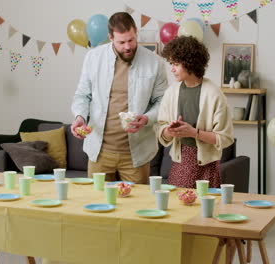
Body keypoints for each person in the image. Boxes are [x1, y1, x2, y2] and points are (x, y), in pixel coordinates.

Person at [70, 12, 168, 184]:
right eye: (121, 42)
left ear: (136, 32)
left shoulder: (155, 63)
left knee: (136, 208)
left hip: (136, 154)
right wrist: (79, 117)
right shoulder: (93, 58)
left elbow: (163, 102)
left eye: (131, 40)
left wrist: (146, 118)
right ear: (110, 37)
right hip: (99, 152)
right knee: (97, 205)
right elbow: (82, 95)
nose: (127, 47)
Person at [156, 36, 234, 188]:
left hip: (207, 167)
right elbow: (161, 132)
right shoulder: (171, 92)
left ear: (189, 63)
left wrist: (193, 133)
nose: (172, 68)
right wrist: (169, 131)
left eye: (176, 64)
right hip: (180, 163)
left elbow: (225, 138)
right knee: (177, 208)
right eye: (171, 63)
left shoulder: (214, 94)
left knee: (205, 211)